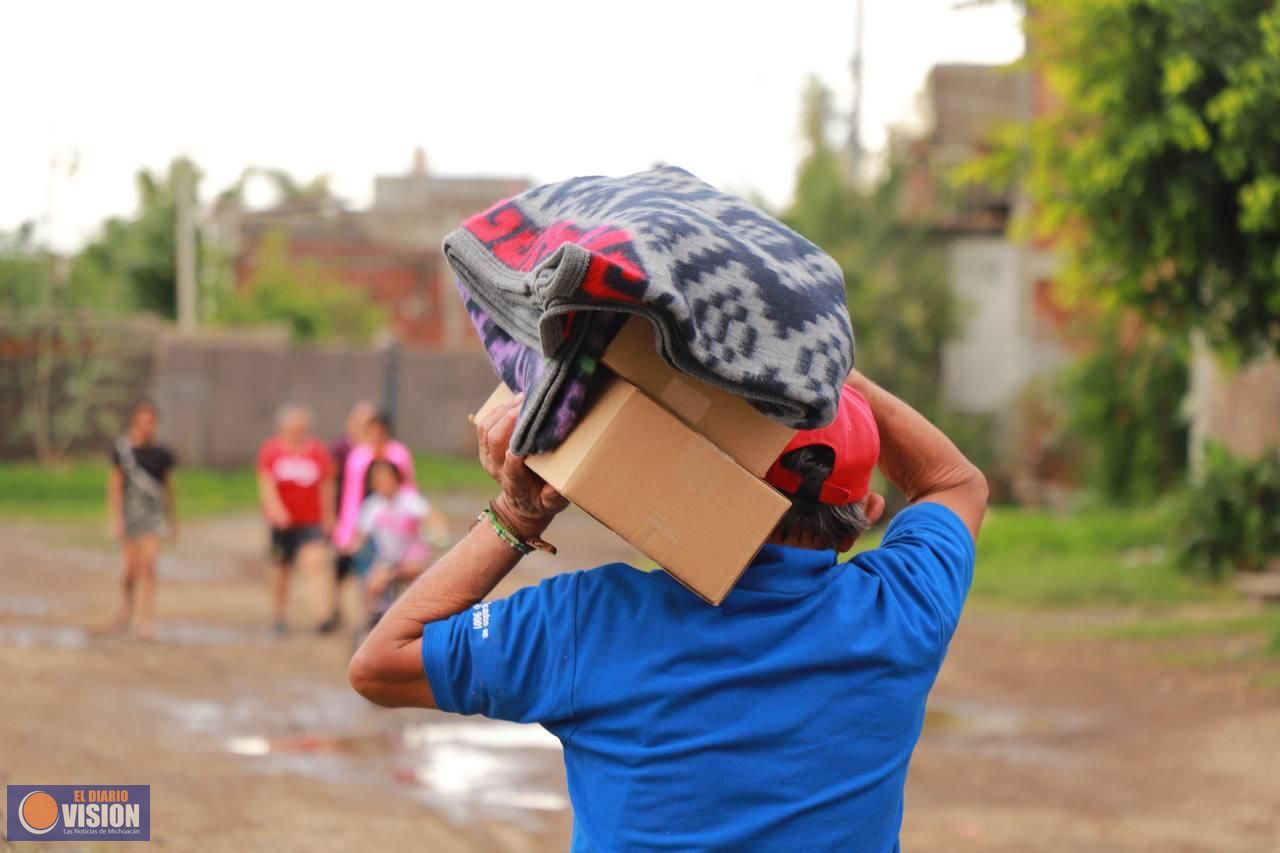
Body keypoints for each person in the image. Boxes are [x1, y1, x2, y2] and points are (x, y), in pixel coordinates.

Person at [350, 372, 988, 851]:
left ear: (699, 485)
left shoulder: (592, 621)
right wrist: (826, 367)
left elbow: (382, 665)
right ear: (861, 522)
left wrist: (520, 514)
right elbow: (955, 482)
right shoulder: (903, 611)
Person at [256, 405, 335, 635]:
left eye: (302, 428)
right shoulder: (271, 451)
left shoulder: (317, 452)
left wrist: (329, 516)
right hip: (282, 525)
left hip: (310, 521)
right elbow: (266, 485)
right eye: (293, 428)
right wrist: (276, 510)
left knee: (315, 564)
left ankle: (323, 615)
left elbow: (327, 486)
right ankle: (279, 616)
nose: (298, 432)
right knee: (282, 569)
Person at [344, 459, 449, 629]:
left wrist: (438, 532)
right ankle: (375, 620)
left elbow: (432, 516)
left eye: (386, 477)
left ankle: (417, 615)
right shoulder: (372, 505)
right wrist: (348, 549)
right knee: (373, 584)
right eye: (378, 479)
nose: (383, 482)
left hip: (411, 555)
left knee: (411, 571)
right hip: (387, 557)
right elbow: (360, 536)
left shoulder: (409, 500)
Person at [106, 401, 177, 640]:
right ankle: (127, 608)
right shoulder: (122, 451)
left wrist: (172, 520)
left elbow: (167, 487)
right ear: (135, 423)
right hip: (130, 514)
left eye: (151, 423)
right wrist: (116, 518)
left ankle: (145, 620)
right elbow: (115, 486)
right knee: (130, 571)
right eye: (142, 423)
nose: (147, 427)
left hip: (153, 516)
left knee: (150, 567)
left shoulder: (162, 454)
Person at [317, 400, 376, 634]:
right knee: (338, 569)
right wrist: (330, 516)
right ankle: (333, 611)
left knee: (367, 569)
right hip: (347, 519)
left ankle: (366, 615)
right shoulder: (340, 449)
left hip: (370, 520)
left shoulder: (379, 448)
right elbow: (329, 484)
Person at [332, 410, 415, 565]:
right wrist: (346, 530)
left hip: (392, 520)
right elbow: (351, 496)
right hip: (367, 518)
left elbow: (408, 487)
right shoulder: (358, 456)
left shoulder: (399, 453)